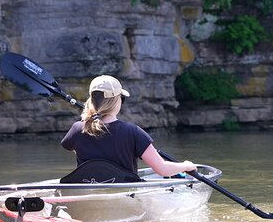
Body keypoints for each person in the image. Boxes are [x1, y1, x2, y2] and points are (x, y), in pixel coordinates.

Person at [61, 74, 196, 177]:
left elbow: (75, 147)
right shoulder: (133, 132)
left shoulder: (77, 129)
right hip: (125, 196)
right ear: (117, 101)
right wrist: (185, 166)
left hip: (88, 193)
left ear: (91, 100)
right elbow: (162, 169)